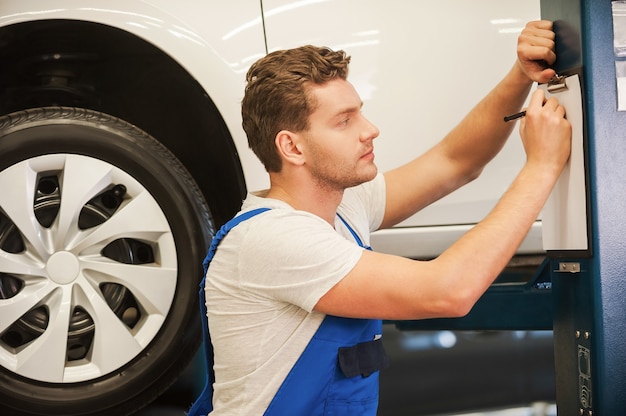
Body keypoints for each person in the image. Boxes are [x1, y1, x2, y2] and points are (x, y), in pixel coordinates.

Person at [199, 20, 571, 415]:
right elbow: (448, 290)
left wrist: (520, 76)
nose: (370, 130)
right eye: (344, 121)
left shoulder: (341, 208)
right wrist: (542, 167)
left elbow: (455, 162)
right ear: (292, 147)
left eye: (360, 113)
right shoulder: (272, 239)